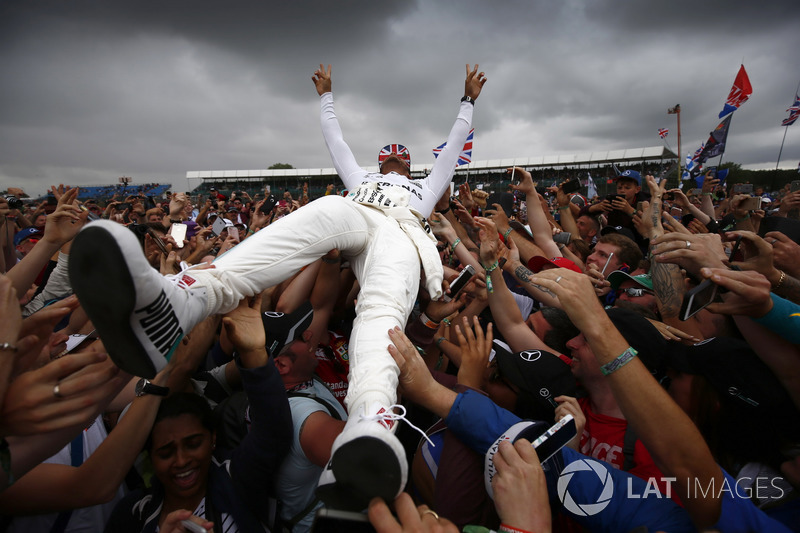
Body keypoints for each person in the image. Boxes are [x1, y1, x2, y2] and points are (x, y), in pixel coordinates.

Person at [68, 63, 487, 511]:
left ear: (408, 166)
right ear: (382, 163)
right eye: (389, 160)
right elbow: (338, 144)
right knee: (298, 227)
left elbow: (448, 155)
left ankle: (370, 422)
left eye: (400, 161)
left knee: (380, 311)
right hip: (357, 211)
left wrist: (468, 103)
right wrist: (326, 97)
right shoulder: (363, 181)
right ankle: (183, 300)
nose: (395, 166)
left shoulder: (424, 190)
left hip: (402, 237)